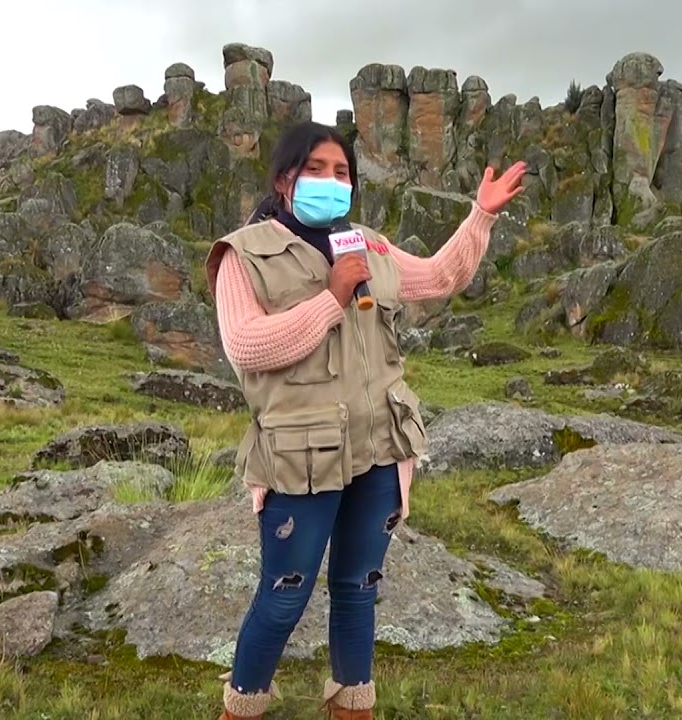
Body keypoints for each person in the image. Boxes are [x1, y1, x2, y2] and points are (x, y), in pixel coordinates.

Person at [205, 119, 526, 720]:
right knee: (284, 595)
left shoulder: (368, 245)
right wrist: (329, 298)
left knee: (358, 590)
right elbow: (246, 346)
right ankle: (241, 708)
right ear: (283, 180)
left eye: (342, 172)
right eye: (317, 171)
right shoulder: (242, 255)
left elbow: (438, 278)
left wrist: (479, 216)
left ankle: (352, 707)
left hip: (380, 448)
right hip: (302, 457)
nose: (332, 182)